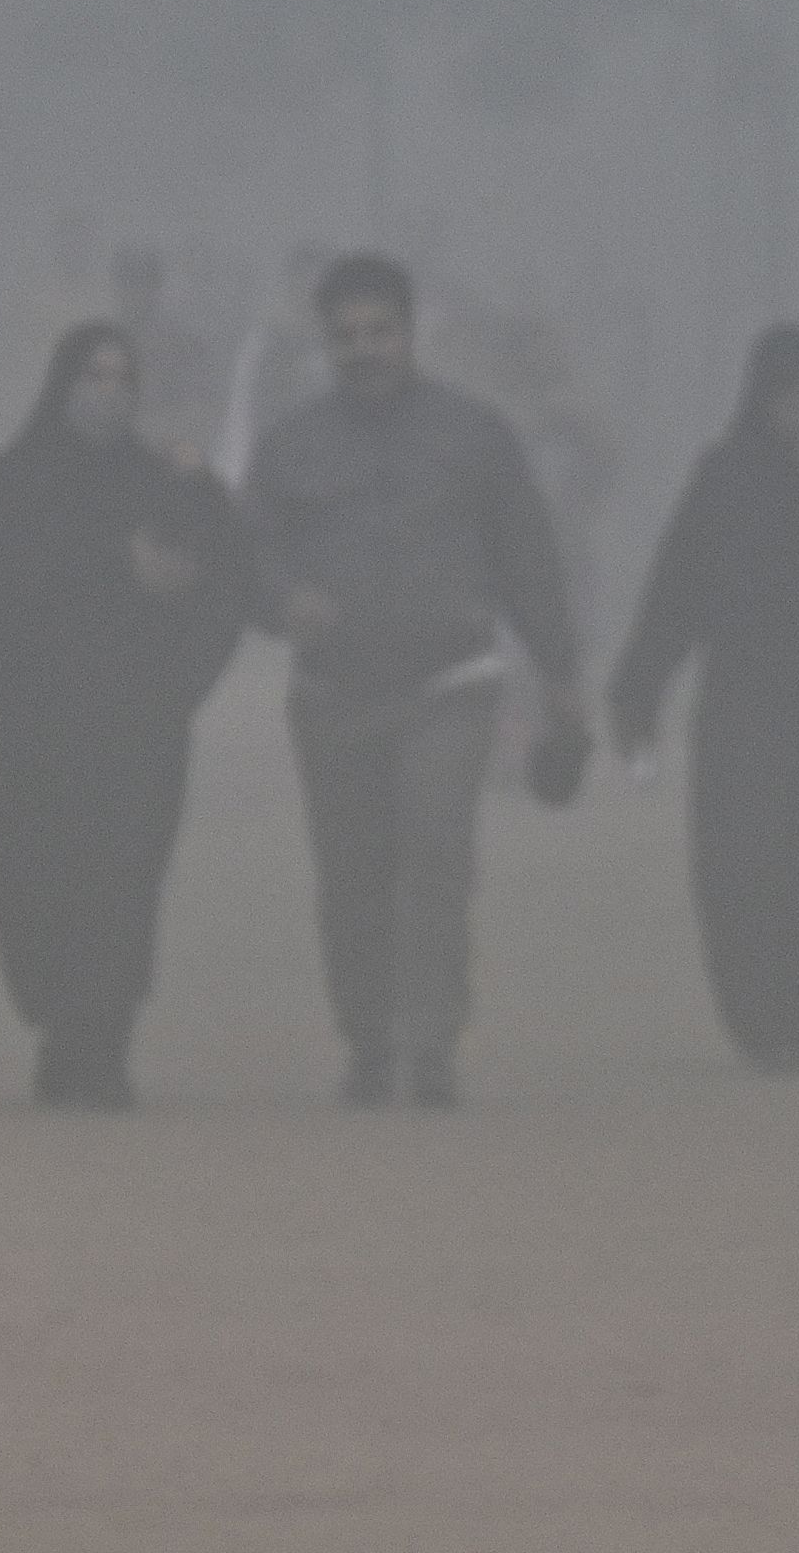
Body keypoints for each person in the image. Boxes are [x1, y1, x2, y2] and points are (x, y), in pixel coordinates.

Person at [243, 252, 586, 1110]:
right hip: (332, 693)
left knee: (435, 859)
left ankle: (428, 1045)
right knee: (352, 874)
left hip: (451, 684)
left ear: (409, 332)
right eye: (346, 336)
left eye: (379, 332)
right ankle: (367, 1041)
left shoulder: (476, 437)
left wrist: (563, 676)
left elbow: (529, 560)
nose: (364, 350)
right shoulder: (290, 446)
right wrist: (285, 599)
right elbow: (248, 557)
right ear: (327, 344)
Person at [0, 322, 252, 1110]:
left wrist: (201, 511)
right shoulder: (16, 479)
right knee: (37, 882)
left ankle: (99, 1047)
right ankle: (61, 1020)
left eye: (123, 376)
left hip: (138, 725)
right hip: (35, 727)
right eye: (93, 375)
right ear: (63, 384)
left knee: (124, 884)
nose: (110, 391)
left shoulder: (163, 478)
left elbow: (228, 571)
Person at [609, 325, 799, 1069]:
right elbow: (675, 591)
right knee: (742, 872)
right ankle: (760, 1020)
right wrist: (639, 689)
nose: (795, 410)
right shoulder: (725, 480)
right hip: (745, 709)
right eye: (781, 396)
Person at [112, 243, 234, 467]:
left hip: (162, 460)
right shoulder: (99, 343)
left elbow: (201, 410)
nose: (134, 293)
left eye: (142, 284)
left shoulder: (182, 346)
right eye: (128, 283)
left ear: (155, 288)